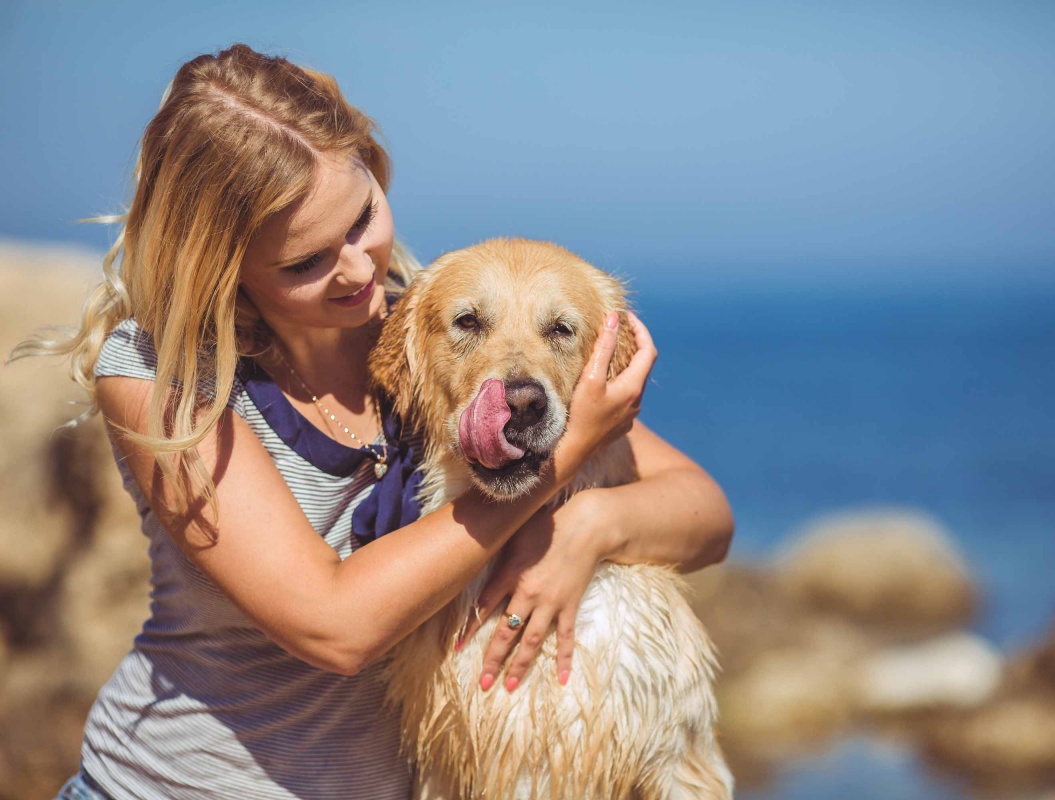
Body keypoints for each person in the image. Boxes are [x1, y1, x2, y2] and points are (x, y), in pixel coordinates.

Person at [17, 44, 733, 800]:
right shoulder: (163, 376)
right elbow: (337, 626)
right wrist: (559, 461)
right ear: (221, 264)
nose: (359, 271)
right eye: (305, 262)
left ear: (374, 169)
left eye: (362, 218)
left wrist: (589, 526)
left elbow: (704, 514)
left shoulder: (429, 333)